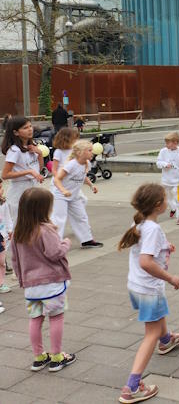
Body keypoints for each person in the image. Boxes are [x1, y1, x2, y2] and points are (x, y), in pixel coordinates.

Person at [118, 183, 179, 404]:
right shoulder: (152, 228)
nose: (168, 201)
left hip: (136, 286)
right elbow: (145, 261)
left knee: (157, 321)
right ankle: (131, 386)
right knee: (151, 334)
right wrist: (171, 278)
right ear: (158, 205)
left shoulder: (140, 222)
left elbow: (146, 248)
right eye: (166, 199)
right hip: (148, 289)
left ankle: (167, 340)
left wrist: (166, 246)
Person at [11, 187, 77, 372]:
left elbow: (15, 260)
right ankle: (57, 357)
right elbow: (55, 253)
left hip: (31, 287)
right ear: (43, 209)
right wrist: (66, 243)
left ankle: (39, 357)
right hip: (51, 285)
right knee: (56, 318)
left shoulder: (18, 233)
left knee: (35, 319)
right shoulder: (45, 230)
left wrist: (21, 279)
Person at [51, 139, 103, 248]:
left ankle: (86, 240)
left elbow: (83, 176)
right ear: (80, 152)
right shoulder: (71, 165)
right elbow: (57, 179)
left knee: (81, 216)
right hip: (60, 196)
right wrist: (63, 190)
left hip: (73, 196)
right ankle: (54, 243)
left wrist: (91, 185)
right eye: (89, 150)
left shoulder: (86, 164)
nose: (92, 153)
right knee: (59, 219)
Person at [1, 116, 44, 231]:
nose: (30, 129)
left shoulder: (31, 147)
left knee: (35, 222)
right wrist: (29, 172)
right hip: (19, 190)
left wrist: (39, 154)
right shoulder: (14, 150)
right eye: (25, 128)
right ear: (15, 132)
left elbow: (39, 169)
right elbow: (5, 175)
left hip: (33, 187)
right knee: (19, 224)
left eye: (30, 126)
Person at [156, 132, 179, 225]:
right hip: (166, 181)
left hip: (176, 183)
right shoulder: (163, 151)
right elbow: (158, 163)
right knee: (167, 198)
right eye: (166, 142)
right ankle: (173, 208)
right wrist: (165, 164)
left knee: (178, 197)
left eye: (168, 143)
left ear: (175, 142)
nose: (166, 145)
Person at [0, 178, 10, 295]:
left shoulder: (3, 202)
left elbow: (7, 217)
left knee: (2, 262)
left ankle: (1, 283)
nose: (1, 190)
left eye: (1, 187)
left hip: (2, 236)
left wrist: (10, 230)